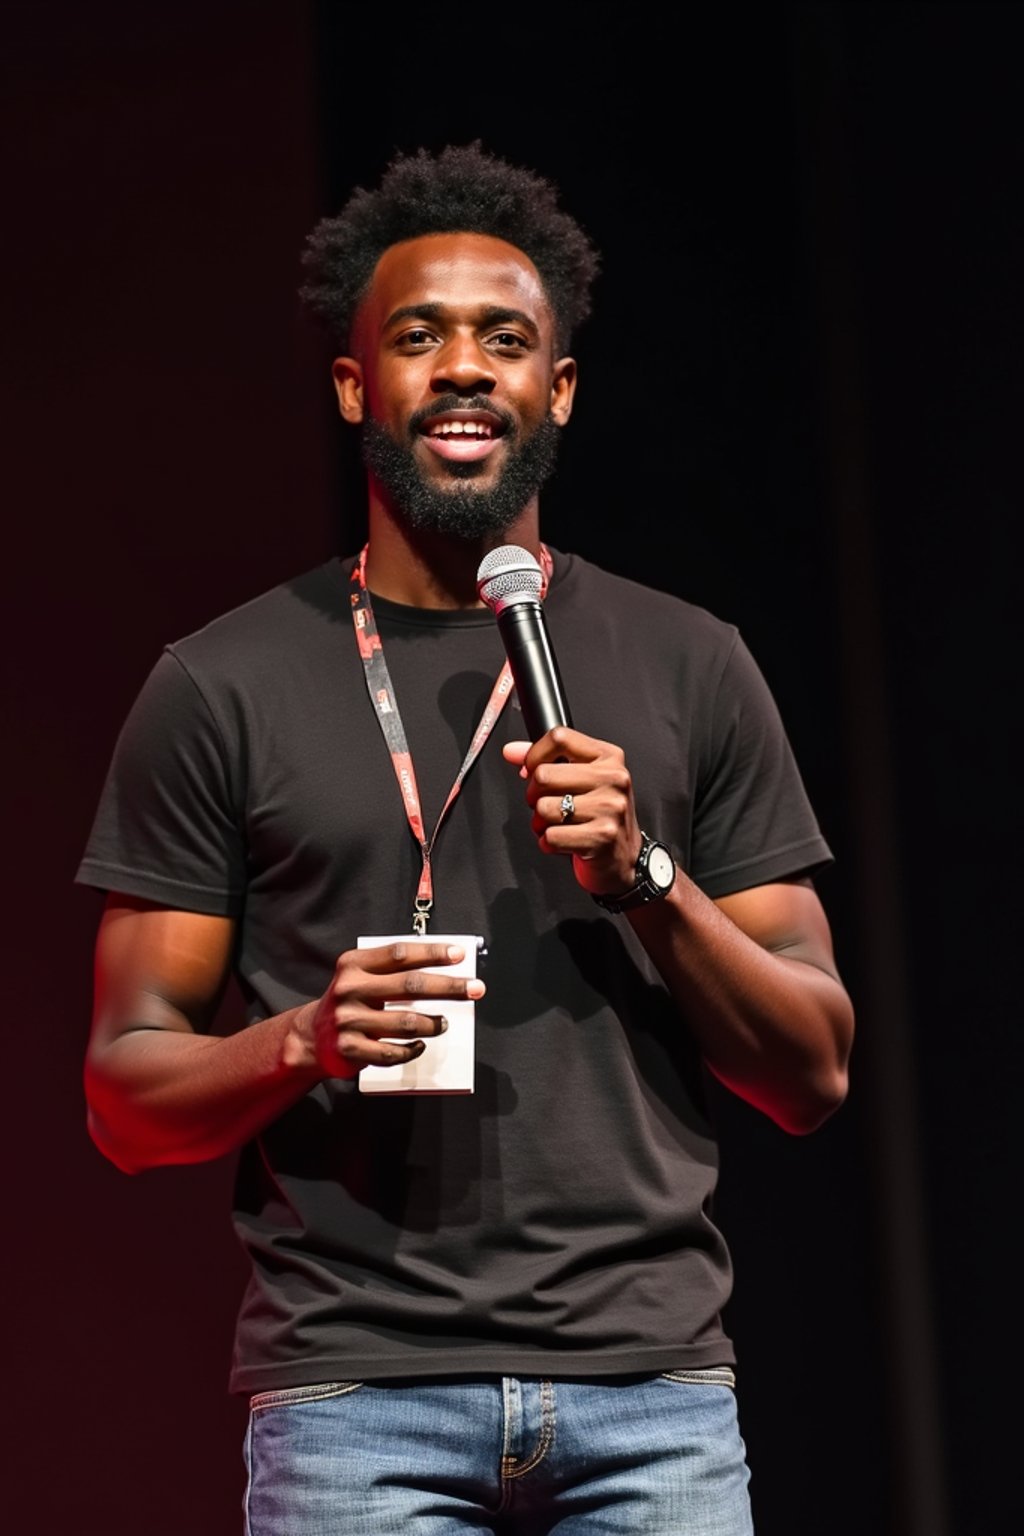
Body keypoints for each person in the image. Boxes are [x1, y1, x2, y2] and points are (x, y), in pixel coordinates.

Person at [79, 143, 854, 1535]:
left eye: (506, 341)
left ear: (555, 392)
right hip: (355, 1406)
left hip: (651, 1400)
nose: (462, 369)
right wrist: (302, 1039)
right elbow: (124, 1102)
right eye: (417, 337)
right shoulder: (222, 685)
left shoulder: (690, 664)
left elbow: (813, 1068)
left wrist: (649, 879)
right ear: (352, 386)